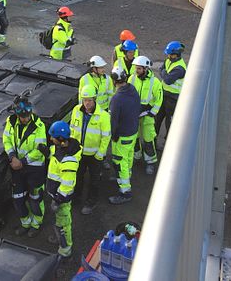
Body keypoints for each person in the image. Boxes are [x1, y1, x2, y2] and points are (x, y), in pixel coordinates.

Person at [3, 95, 48, 238]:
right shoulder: (10, 122)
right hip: (17, 167)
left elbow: (40, 150)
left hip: (34, 169)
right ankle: (26, 223)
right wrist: (11, 156)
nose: (25, 119)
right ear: (16, 114)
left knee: (35, 199)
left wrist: (22, 161)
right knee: (18, 198)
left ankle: (36, 224)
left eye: (27, 116)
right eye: (22, 117)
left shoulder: (39, 126)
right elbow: (7, 139)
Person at [70, 85, 111, 215]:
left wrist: (100, 153)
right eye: (85, 100)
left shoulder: (103, 116)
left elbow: (106, 136)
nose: (87, 103)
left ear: (94, 99)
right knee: (77, 177)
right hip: (79, 153)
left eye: (89, 100)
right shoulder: (76, 110)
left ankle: (91, 202)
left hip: (94, 155)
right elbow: (72, 129)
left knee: (94, 181)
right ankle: (76, 198)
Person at [45, 121, 81, 259]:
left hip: (61, 200)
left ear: (60, 139)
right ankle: (59, 239)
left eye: (52, 137)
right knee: (59, 221)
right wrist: (47, 152)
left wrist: (58, 199)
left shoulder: (69, 161)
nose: (50, 139)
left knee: (64, 225)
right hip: (56, 196)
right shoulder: (60, 148)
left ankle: (65, 249)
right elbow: (54, 157)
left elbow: (67, 184)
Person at [107, 67, 141, 205]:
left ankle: (125, 192)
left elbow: (113, 121)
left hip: (122, 135)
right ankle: (126, 176)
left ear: (114, 81)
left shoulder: (117, 98)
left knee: (120, 162)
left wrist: (113, 135)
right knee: (128, 157)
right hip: (133, 132)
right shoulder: (132, 90)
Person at [128, 56, 163, 175]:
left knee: (148, 139)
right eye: (135, 68)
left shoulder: (155, 82)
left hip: (147, 115)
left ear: (145, 68)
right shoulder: (132, 79)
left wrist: (153, 112)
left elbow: (159, 100)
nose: (136, 71)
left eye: (138, 68)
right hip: (134, 114)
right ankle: (136, 156)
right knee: (135, 137)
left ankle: (150, 162)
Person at [155, 41, 187, 143]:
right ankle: (153, 139)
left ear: (177, 54)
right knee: (157, 118)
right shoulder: (169, 60)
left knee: (170, 122)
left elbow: (168, 80)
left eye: (170, 54)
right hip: (164, 95)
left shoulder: (179, 68)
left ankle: (168, 143)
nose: (168, 56)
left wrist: (164, 73)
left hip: (173, 99)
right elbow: (161, 68)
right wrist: (164, 73)